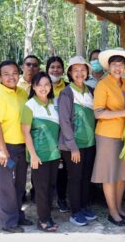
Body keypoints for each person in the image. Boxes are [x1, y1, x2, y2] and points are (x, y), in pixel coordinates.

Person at [92, 48, 125, 227]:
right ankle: (112, 212)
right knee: (110, 175)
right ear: (109, 66)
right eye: (114, 65)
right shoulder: (103, 85)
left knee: (121, 175)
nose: (117, 68)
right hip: (107, 135)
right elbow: (98, 113)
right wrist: (124, 112)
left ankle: (119, 208)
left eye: (121, 65)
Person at [0, 60, 31, 233]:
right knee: (6, 185)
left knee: (20, 183)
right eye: (6, 74)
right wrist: (3, 151)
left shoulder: (22, 93)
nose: (11, 77)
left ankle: (18, 215)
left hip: (21, 146)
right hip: (4, 147)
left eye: (14, 73)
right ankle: (7, 223)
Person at [59, 56, 98, 226]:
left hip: (89, 143)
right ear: (70, 73)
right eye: (75, 70)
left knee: (85, 177)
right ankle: (75, 212)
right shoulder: (66, 93)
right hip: (73, 145)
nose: (79, 73)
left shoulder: (90, 90)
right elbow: (64, 121)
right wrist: (73, 147)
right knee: (75, 178)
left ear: (87, 72)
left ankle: (83, 207)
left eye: (83, 70)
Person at [22, 72, 60, 232]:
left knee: (51, 187)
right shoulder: (29, 105)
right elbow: (25, 133)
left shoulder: (54, 104)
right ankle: (43, 220)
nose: (43, 88)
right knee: (41, 188)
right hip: (39, 155)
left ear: (50, 86)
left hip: (54, 154)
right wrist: (34, 155)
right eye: (39, 85)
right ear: (34, 87)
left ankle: (48, 217)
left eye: (47, 84)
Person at [45, 56, 69, 213]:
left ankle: (61, 198)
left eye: (59, 67)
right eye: (52, 67)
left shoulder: (68, 87)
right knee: (45, 167)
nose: (55, 70)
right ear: (47, 69)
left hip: (64, 133)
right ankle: (42, 198)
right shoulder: (40, 85)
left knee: (62, 168)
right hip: (45, 133)